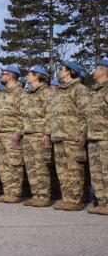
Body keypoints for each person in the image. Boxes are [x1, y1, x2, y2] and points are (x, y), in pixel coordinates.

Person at [50, 61, 89, 211]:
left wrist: (83, 133)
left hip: (73, 136)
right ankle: (67, 199)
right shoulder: (61, 91)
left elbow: (86, 112)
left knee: (74, 170)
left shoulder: (79, 89)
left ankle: (75, 200)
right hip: (59, 136)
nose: (60, 71)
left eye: (62, 69)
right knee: (62, 170)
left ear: (70, 72)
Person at [0, 65, 25, 203]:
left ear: (11, 75)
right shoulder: (1, 94)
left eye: (3, 73)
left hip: (12, 134)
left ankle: (15, 193)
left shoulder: (21, 93)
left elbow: (26, 116)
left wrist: (18, 132)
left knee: (14, 164)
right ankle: (8, 192)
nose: (1, 76)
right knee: (3, 165)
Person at [21, 66, 53, 207]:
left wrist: (47, 133)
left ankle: (44, 196)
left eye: (29, 73)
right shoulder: (28, 93)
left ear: (37, 76)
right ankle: (36, 195)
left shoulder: (46, 92)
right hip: (27, 134)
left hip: (40, 135)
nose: (27, 76)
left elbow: (51, 114)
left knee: (41, 167)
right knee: (31, 167)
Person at [86, 58, 108, 215]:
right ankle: (102, 202)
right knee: (96, 173)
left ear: (103, 71)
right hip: (93, 137)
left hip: (105, 136)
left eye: (97, 69)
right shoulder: (93, 91)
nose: (94, 71)